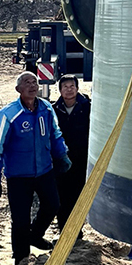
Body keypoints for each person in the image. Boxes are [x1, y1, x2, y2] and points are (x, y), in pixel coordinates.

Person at [0, 71, 72, 265]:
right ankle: (20, 260)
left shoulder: (46, 108)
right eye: (27, 82)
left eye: (35, 82)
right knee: (20, 220)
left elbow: (55, 135)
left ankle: (35, 235)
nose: (32, 85)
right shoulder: (8, 115)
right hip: (18, 176)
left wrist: (62, 155)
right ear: (18, 89)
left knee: (53, 205)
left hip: (44, 171)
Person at [52, 74, 91, 237]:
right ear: (60, 90)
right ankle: (63, 230)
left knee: (79, 194)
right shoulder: (54, 110)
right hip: (61, 160)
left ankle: (77, 230)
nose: (69, 90)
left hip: (82, 159)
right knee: (61, 194)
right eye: (65, 87)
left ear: (77, 88)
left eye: (72, 86)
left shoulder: (87, 107)